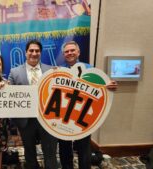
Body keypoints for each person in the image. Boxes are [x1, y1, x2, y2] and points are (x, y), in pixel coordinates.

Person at [59, 41, 117, 169]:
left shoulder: (90, 69)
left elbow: (98, 88)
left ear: (78, 52)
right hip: (64, 115)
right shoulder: (59, 70)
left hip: (84, 115)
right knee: (64, 146)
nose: (70, 53)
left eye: (72, 50)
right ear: (63, 54)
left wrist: (108, 87)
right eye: (67, 51)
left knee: (84, 147)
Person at [8, 40, 58, 169]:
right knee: (29, 152)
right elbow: (9, 95)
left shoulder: (52, 70)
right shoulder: (14, 72)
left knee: (50, 151)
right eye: (31, 50)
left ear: (40, 53)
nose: (34, 53)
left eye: (37, 51)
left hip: (47, 118)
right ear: (26, 53)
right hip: (26, 120)